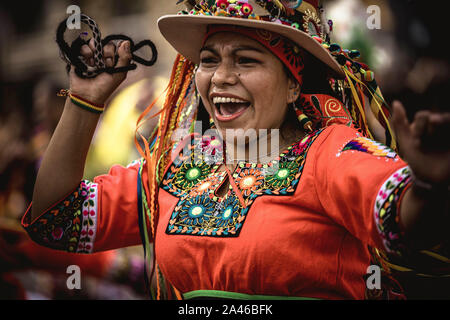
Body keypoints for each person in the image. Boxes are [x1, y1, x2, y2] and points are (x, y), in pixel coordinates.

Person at [21, 0, 449, 300]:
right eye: (208, 60)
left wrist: (427, 184)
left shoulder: (329, 152)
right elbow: (57, 221)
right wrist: (84, 102)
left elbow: (404, 221)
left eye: (245, 60)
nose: (220, 77)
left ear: (293, 85)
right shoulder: (177, 165)